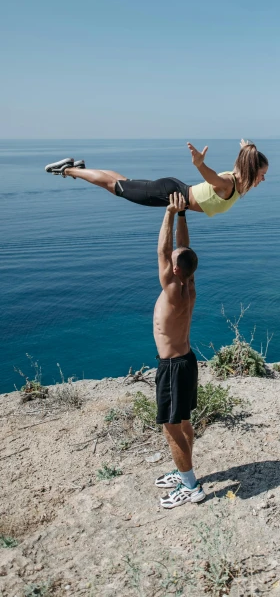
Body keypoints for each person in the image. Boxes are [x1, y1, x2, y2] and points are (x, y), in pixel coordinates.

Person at [44, 140, 268, 217]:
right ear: (250, 170)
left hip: (173, 188)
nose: (263, 179)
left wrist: (247, 150)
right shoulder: (229, 183)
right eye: (262, 175)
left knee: (123, 182)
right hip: (170, 193)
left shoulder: (237, 184)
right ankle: (67, 170)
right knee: (116, 186)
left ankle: (81, 169)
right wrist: (200, 165)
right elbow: (211, 179)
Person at [153, 191, 204, 509]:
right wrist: (184, 214)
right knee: (182, 421)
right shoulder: (189, 283)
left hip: (172, 367)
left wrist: (169, 212)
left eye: (171, 262)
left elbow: (163, 250)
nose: (169, 259)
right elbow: (180, 251)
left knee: (171, 429)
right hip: (185, 361)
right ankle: (184, 471)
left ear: (174, 270)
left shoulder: (172, 290)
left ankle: (190, 486)